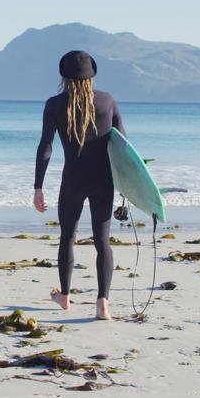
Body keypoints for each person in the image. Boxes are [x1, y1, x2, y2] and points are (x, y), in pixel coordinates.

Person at [33, 50, 125, 320]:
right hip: (103, 180)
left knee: (67, 238)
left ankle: (64, 296)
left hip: (73, 180)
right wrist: (130, 187)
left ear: (63, 75)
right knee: (102, 242)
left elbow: (46, 146)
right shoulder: (107, 102)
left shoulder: (54, 104)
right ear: (92, 73)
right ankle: (103, 303)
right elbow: (124, 148)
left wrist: (38, 186)